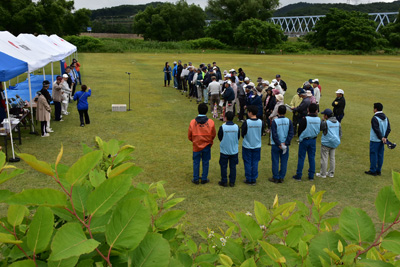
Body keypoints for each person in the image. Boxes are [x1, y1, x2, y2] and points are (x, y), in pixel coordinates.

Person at [188, 103, 216, 184]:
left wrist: (195, 141)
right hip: (207, 145)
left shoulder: (192, 122)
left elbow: (189, 136)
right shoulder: (211, 122)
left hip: (196, 145)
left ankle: (196, 178)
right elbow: (213, 135)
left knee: (196, 161)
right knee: (205, 161)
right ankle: (204, 178)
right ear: (206, 111)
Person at [293, 103, 321, 181]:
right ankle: (311, 175)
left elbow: (300, 130)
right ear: (316, 111)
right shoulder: (318, 119)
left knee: (301, 157)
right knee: (312, 157)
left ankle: (299, 175)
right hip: (313, 140)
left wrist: (300, 138)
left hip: (305, 140)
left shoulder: (305, 119)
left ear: (308, 110)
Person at [269, 105, 294, 183]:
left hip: (276, 144)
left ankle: (276, 177)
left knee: (275, 161)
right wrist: (285, 143)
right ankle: (282, 177)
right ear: (286, 112)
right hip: (285, 145)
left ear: (278, 112)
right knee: (284, 161)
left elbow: (274, 134)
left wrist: (278, 143)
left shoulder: (275, 121)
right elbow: (291, 133)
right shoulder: (289, 121)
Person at [365, 103, 391, 176]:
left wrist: (381, 137)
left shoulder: (375, 118)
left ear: (375, 109)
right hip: (382, 141)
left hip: (375, 140)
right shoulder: (386, 118)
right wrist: (385, 137)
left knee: (373, 154)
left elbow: (376, 129)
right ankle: (378, 170)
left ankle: (373, 170)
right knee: (380, 155)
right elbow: (388, 129)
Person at [316, 109, 342, 178]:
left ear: (326, 116)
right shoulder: (338, 123)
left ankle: (323, 174)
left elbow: (321, 128)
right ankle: (331, 173)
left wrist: (323, 120)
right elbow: (340, 133)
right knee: (332, 158)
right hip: (335, 142)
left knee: (324, 158)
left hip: (326, 142)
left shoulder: (326, 122)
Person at [242, 105, 263, 185]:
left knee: (247, 162)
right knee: (255, 162)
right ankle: (253, 178)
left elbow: (243, 133)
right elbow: (261, 133)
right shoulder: (261, 122)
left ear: (250, 113)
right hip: (257, 145)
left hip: (247, 145)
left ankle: (248, 178)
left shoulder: (246, 122)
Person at [218, 111, 240, 187]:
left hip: (224, 150)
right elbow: (238, 137)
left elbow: (220, 137)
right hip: (234, 150)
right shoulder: (237, 127)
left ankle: (224, 181)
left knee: (223, 166)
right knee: (233, 167)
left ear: (225, 117)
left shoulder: (223, 127)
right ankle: (232, 182)